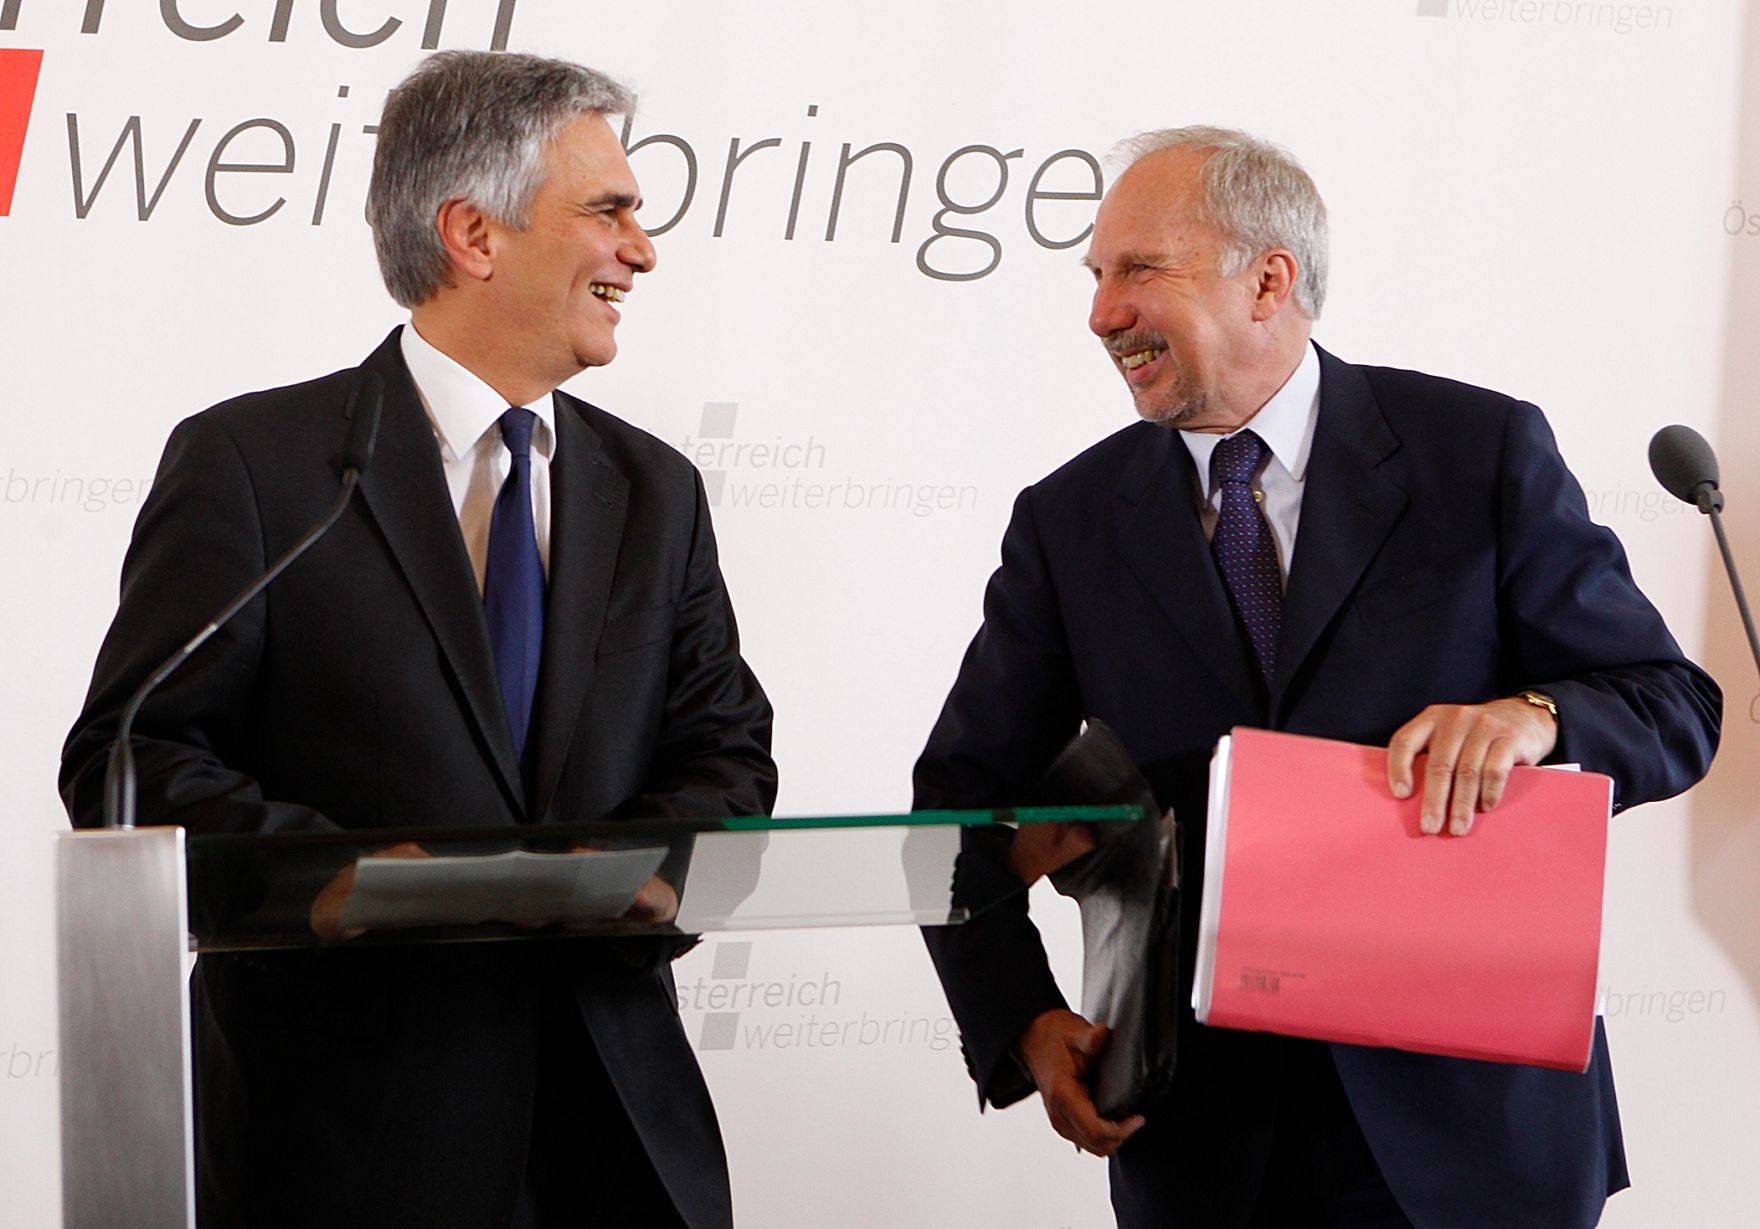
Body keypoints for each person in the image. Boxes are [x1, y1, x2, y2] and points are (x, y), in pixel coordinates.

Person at [916, 126, 1721, 1229]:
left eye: (1137, 269)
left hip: (1475, 1137)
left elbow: (1671, 704)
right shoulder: (1067, 522)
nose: (1101, 312)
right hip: (1204, 1145)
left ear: (1267, 278)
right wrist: (1019, 1016)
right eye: (1096, 276)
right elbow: (958, 800)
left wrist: (1536, 716)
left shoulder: (1475, 452)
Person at [59, 51, 775, 1229]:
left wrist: (640, 874)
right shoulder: (258, 468)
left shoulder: (656, 489)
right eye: (609, 211)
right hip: (342, 1138)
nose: (641, 250)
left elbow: (727, 751)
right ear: (473, 233)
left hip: (611, 1134)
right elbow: (134, 761)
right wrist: (354, 881)